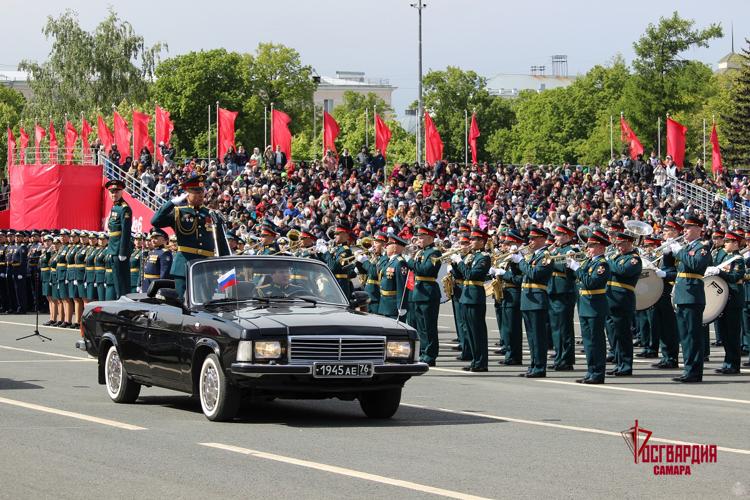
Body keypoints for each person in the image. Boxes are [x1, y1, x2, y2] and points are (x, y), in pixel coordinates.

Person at [151, 173, 215, 297]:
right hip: (184, 266)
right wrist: (171, 203)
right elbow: (155, 221)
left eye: (201, 190)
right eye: (195, 191)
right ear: (187, 194)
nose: (200, 194)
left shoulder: (211, 214)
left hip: (206, 266)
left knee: (206, 303)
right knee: (181, 304)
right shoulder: (178, 212)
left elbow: (220, 240)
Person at [667, 215, 711, 383]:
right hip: (682, 295)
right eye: (684, 227)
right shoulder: (687, 248)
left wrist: (679, 251)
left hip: (693, 296)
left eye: (689, 227)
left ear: (699, 229)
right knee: (685, 336)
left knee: (693, 336)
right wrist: (667, 254)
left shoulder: (702, 248)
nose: (684, 230)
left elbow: (695, 265)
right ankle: (688, 369)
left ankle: (694, 372)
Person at [568, 227, 611, 384]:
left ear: (601, 247)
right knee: (588, 341)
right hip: (586, 305)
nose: (588, 249)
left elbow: (591, 283)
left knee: (596, 341)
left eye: (592, 246)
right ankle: (591, 370)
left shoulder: (602, 265)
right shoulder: (589, 261)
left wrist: (577, 268)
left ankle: (598, 373)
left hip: (595, 305)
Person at [514, 226, 553, 378]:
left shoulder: (545, 256)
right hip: (528, 298)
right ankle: (533, 364)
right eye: (530, 238)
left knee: (538, 336)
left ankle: (540, 367)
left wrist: (521, 261)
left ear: (542, 239)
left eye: (534, 238)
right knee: (531, 336)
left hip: (537, 298)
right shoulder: (533, 255)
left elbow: (534, 274)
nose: (530, 241)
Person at [706, 230, 745, 375]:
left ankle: (734, 364)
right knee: (724, 334)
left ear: (735, 243)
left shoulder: (738, 259)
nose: (726, 243)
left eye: (728, 241)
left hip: (733, 299)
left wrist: (719, 272)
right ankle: (727, 363)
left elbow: (736, 276)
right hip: (723, 299)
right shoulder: (724, 256)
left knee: (732, 334)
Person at [452, 227, 491, 372]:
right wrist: (454, 265)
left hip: (475, 297)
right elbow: (462, 275)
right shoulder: (471, 256)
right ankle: (475, 360)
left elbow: (471, 275)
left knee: (478, 331)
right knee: (470, 331)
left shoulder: (484, 258)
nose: (471, 242)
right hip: (466, 296)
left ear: (482, 241)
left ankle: (482, 362)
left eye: (474, 239)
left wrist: (460, 262)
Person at [605, 230, 642, 377]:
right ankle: (619, 363)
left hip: (623, 300)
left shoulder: (634, 259)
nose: (618, 247)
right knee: (615, 335)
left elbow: (622, 271)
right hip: (611, 299)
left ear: (629, 243)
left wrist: (608, 261)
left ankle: (626, 366)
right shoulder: (617, 257)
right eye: (617, 244)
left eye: (621, 244)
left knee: (624, 335)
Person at [406, 225, 443, 366]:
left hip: (428, 292)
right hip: (419, 291)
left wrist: (410, 262)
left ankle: (430, 354)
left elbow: (426, 270)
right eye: (419, 237)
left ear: (430, 238)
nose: (418, 239)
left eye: (422, 237)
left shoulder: (434, 253)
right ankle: (423, 352)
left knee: (429, 326)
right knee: (421, 326)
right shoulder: (421, 252)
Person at [547, 223, 578, 371]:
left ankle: (566, 359)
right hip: (553, 290)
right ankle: (559, 357)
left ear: (566, 236)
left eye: (558, 235)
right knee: (556, 328)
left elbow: (565, 265)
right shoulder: (557, 250)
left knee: (564, 328)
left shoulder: (571, 250)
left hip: (564, 292)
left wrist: (550, 258)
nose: (555, 237)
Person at [497, 231, 525, 366]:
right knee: (507, 327)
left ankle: (514, 356)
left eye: (510, 244)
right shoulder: (509, 258)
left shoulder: (520, 259)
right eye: (506, 244)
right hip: (506, 293)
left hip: (515, 293)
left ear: (517, 244)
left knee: (513, 328)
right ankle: (509, 353)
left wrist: (505, 275)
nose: (507, 246)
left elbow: (522, 279)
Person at [105, 179, 133, 299]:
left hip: (119, 251)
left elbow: (126, 232)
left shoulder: (124, 208)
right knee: (117, 281)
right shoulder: (115, 207)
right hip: (113, 249)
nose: (113, 194)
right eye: (111, 192)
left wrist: (122, 252)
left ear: (122, 192)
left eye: (116, 192)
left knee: (122, 283)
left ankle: (124, 307)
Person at [319, 222, 356, 299]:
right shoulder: (338, 249)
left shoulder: (345, 250)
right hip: (333, 284)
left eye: (337, 234)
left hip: (340, 285)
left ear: (345, 235)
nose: (334, 235)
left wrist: (326, 252)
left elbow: (333, 267)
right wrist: (319, 253)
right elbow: (326, 264)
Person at [356, 231, 388, 314]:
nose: (373, 245)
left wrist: (365, 261)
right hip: (367, 294)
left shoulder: (385, 258)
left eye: (376, 243)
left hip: (376, 295)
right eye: (373, 242)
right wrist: (358, 262)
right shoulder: (373, 256)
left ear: (384, 245)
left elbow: (374, 273)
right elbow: (364, 272)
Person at [377, 235, 408, 320]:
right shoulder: (390, 261)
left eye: (388, 244)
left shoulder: (400, 263)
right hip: (385, 304)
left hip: (393, 306)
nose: (385, 246)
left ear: (395, 247)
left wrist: (401, 305)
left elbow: (402, 286)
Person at [141, 228, 172, 294]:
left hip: (155, 284)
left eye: (156, 238)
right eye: (152, 238)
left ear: (163, 239)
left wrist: (160, 285)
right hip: (146, 282)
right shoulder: (152, 252)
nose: (153, 240)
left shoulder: (164, 253)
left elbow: (164, 273)